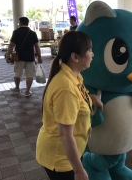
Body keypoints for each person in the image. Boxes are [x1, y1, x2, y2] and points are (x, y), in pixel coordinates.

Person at [36, 31, 103, 180]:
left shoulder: (74, 76)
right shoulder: (65, 87)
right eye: (90, 50)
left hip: (65, 154)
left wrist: (91, 98)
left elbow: (77, 101)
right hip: (60, 158)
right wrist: (79, 171)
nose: (92, 54)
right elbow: (65, 134)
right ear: (75, 57)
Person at [6, 17, 42, 97]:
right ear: (27, 23)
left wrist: (8, 55)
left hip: (19, 57)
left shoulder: (16, 32)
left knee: (17, 73)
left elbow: (11, 45)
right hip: (30, 57)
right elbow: (37, 46)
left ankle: (17, 88)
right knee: (30, 74)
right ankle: (27, 91)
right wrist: (39, 57)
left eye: (19, 23)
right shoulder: (33, 33)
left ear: (21, 23)